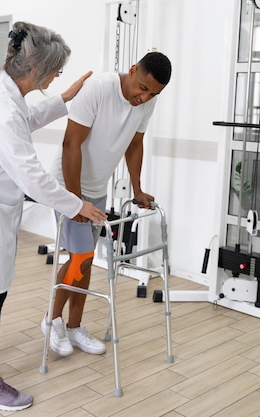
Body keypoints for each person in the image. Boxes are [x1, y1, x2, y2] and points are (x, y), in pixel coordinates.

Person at [0, 21, 106, 412]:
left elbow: (24, 120)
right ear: (35, 70)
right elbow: (31, 174)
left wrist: (63, 97)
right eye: (56, 69)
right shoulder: (4, 108)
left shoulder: (0, 88)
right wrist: (76, 204)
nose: (58, 74)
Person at [42, 51, 172, 356]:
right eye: (142, 88)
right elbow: (70, 143)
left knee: (85, 260)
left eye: (153, 93)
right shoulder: (98, 89)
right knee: (80, 256)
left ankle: (74, 327)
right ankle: (52, 320)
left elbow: (135, 143)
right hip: (67, 185)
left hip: (97, 188)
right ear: (132, 70)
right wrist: (75, 202)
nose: (145, 97)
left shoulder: (148, 100)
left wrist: (138, 189)